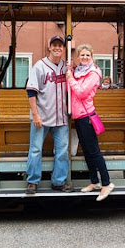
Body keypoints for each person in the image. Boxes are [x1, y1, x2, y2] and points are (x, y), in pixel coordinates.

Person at [66, 43, 115, 201]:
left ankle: (106, 183)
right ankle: (94, 181)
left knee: (94, 151)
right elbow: (71, 89)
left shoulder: (93, 73)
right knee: (87, 151)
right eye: (82, 55)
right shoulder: (79, 71)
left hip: (87, 116)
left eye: (87, 55)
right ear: (78, 57)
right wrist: (70, 72)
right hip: (79, 117)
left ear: (92, 57)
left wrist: (71, 78)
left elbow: (80, 93)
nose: (85, 57)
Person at [25, 35, 72, 194]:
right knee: (36, 149)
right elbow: (31, 91)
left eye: (60, 45)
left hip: (61, 118)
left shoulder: (67, 67)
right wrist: (35, 114)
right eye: (55, 45)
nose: (57, 48)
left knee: (62, 151)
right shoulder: (39, 66)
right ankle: (32, 181)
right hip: (42, 117)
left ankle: (58, 182)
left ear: (64, 48)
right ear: (49, 47)